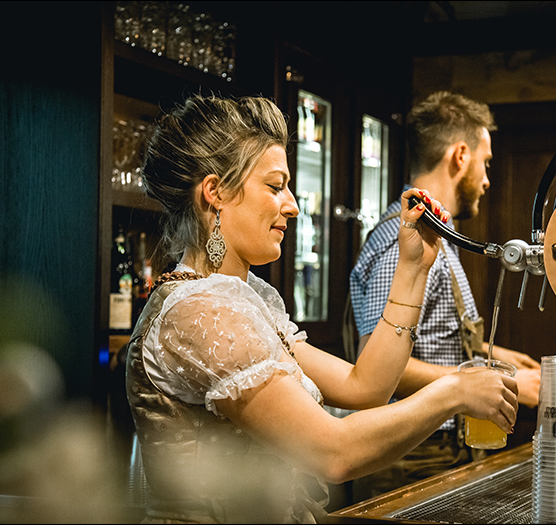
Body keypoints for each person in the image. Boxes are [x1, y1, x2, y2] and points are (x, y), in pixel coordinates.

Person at [125, 93, 519, 523]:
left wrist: (413, 269)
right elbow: (333, 453)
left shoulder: (241, 299)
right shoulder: (199, 314)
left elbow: (364, 386)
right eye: (276, 187)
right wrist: (453, 392)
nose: (292, 205)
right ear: (215, 192)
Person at [349, 91, 541, 500]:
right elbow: (378, 365)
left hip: (436, 451)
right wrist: (493, 384)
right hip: (409, 457)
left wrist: (498, 356)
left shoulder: (436, 238)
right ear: (460, 156)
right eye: (485, 162)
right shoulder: (399, 242)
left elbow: (433, 337)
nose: (488, 179)